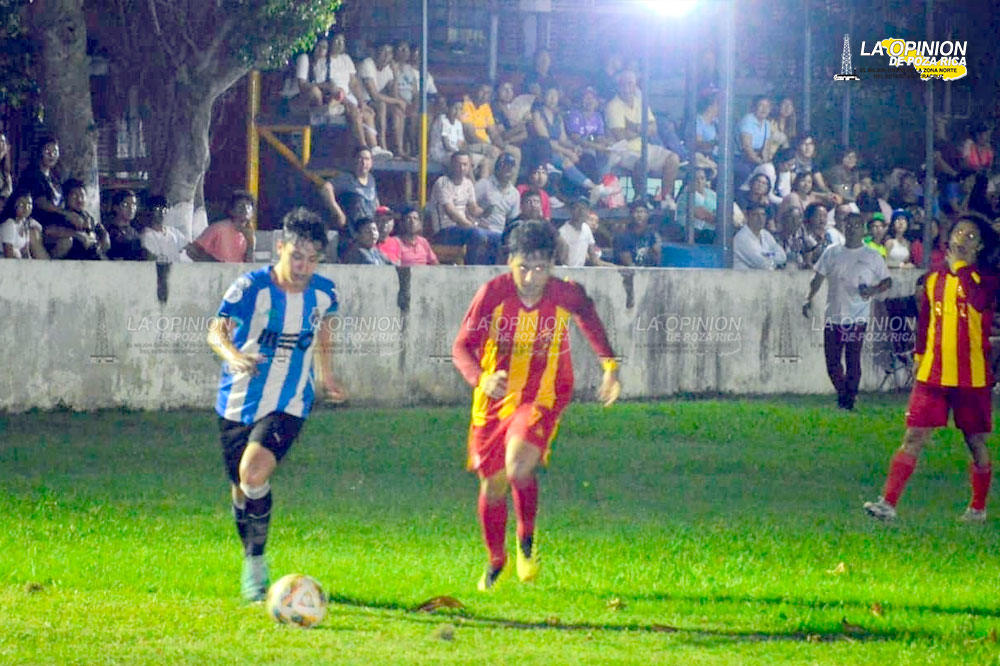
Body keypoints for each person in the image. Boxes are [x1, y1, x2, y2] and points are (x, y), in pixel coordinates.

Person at [451, 220, 621, 590]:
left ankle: (526, 541)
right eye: (523, 267)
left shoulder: (565, 294)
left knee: (517, 467)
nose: (530, 277)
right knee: (492, 485)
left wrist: (609, 366)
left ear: (552, 267)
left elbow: (589, 317)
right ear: (510, 261)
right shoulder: (492, 294)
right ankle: (497, 561)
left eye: (540, 267)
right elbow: (461, 347)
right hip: (494, 399)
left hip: (543, 395)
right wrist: (481, 378)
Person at [207, 207, 346, 601]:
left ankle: (255, 564)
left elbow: (324, 329)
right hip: (236, 402)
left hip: (290, 402)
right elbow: (216, 331)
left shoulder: (325, 292)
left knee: (253, 474)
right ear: (280, 248)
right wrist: (233, 356)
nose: (303, 266)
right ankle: (250, 554)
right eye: (296, 256)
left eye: (313, 259)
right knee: (240, 489)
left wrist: (326, 374)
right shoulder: (251, 287)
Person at [863, 216, 1000, 522]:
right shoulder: (934, 279)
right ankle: (887, 503)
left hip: (971, 377)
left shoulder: (985, 279)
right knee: (913, 436)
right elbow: (925, 324)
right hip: (933, 375)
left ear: (979, 246)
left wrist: (961, 269)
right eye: (958, 232)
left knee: (974, 440)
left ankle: (977, 508)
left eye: (970, 236)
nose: (962, 238)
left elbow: (978, 304)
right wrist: (918, 357)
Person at [803, 213, 891, 410]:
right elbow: (817, 278)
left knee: (852, 359)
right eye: (848, 225)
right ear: (843, 227)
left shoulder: (871, 255)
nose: (852, 229)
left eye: (857, 225)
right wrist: (808, 298)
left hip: (857, 317)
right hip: (833, 315)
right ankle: (845, 394)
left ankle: (847, 400)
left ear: (863, 229)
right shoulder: (832, 252)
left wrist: (873, 290)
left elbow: (887, 281)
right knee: (832, 363)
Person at [605, 70, 681, 206]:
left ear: (635, 85)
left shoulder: (640, 102)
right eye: (623, 84)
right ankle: (641, 200)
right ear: (618, 86)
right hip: (623, 151)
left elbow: (654, 129)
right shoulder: (613, 106)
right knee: (642, 162)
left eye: (630, 84)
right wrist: (644, 129)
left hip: (644, 147)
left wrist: (634, 127)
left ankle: (665, 198)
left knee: (673, 159)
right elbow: (621, 137)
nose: (627, 88)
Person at [428, 151, 499, 265]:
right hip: (444, 231)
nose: (462, 168)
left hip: (464, 230)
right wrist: (472, 226)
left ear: (469, 166)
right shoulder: (442, 183)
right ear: (452, 165)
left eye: (465, 164)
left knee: (497, 237)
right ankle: (471, 269)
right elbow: (452, 213)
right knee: (476, 234)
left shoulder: (468, 184)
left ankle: (487, 271)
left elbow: (473, 209)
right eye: (458, 164)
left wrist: (485, 212)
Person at [359, 42, 405, 159]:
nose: (386, 56)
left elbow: (394, 94)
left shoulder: (388, 69)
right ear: (376, 53)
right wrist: (397, 101)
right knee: (382, 105)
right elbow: (374, 95)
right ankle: (382, 145)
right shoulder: (368, 64)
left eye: (389, 53)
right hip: (361, 101)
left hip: (373, 102)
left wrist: (395, 74)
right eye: (383, 52)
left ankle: (399, 150)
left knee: (398, 110)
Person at [185, 190, 255, 263]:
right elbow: (192, 251)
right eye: (240, 206)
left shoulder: (249, 235)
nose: (245, 210)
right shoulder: (218, 228)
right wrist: (216, 264)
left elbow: (249, 266)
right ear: (231, 210)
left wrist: (250, 243)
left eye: (248, 207)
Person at [733, 204, 786, 270]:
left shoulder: (766, 234)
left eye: (763, 215)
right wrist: (773, 259)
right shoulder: (742, 237)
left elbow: (782, 256)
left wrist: (769, 260)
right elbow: (761, 263)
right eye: (756, 215)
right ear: (748, 216)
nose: (760, 218)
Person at [0, 193, 47, 259]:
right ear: (14, 205)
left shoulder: (25, 224)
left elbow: (25, 252)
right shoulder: (9, 224)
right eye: (21, 204)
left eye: (29, 204)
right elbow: (8, 254)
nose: (26, 208)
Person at [105, 189, 149, 260]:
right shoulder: (109, 232)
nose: (131, 208)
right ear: (115, 207)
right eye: (125, 205)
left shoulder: (135, 232)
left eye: (134, 205)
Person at [141, 195, 186, 263]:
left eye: (164, 209)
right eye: (158, 209)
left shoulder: (174, 232)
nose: (161, 213)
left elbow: (190, 248)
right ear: (150, 211)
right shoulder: (146, 236)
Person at [559, 198, 603, 267]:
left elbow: (594, 258)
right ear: (571, 210)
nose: (581, 211)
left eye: (584, 208)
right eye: (577, 207)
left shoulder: (586, 228)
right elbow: (563, 261)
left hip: (581, 272)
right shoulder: (562, 232)